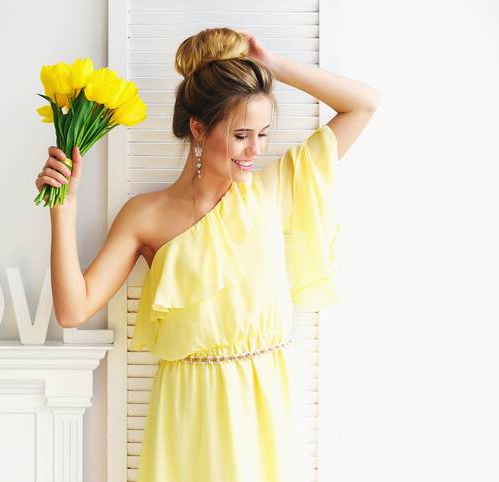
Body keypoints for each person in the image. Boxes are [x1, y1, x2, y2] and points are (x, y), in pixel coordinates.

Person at [36, 27, 378, 482]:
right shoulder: (146, 215)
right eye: (241, 136)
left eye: (262, 134)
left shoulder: (272, 191)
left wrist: (270, 66)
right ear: (199, 128)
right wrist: (64, 209)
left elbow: (364, 104)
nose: (255, 150)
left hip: (264, 412)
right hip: (188, 417)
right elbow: (72, 309)